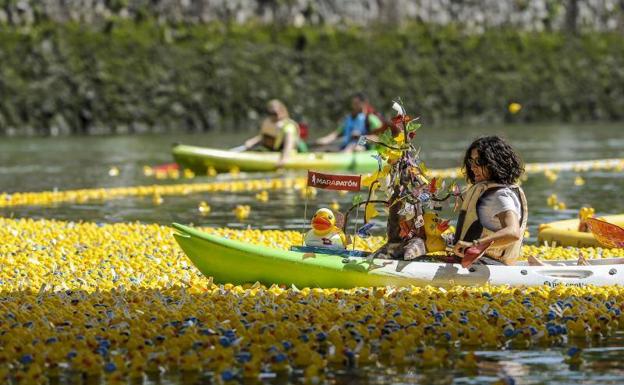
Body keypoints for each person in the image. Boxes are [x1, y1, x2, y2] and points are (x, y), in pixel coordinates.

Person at [452, 136, 528, 265]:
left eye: (479, 161)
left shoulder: (500, 195)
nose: (473, 167)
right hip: (479, 261)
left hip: (490, 263)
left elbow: (513, 232)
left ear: (495, 162)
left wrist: (475, 245)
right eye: (471, 161)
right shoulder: (490, 191)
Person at [242, 99, 307, 167]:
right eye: (270, 113)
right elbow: (264, 137)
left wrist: (283, 159)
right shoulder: (269, 123)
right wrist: (252, 142)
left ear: (282, 112)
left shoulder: (288, 126)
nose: (272, 116)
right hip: (273, 151)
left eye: (275, 113)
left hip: (289, 152)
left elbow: (289, 144)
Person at [315, 92, 384, 152]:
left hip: (363, 149)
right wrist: (324, 140)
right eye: (353, 104)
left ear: (364, 103)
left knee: (355, 147)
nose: (354, 106)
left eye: (357, 104)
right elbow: (336, 134)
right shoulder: (349, 119)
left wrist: (362, 138)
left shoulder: (371, 118)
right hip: (347, 147)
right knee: (324, 150)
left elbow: (380, 138)